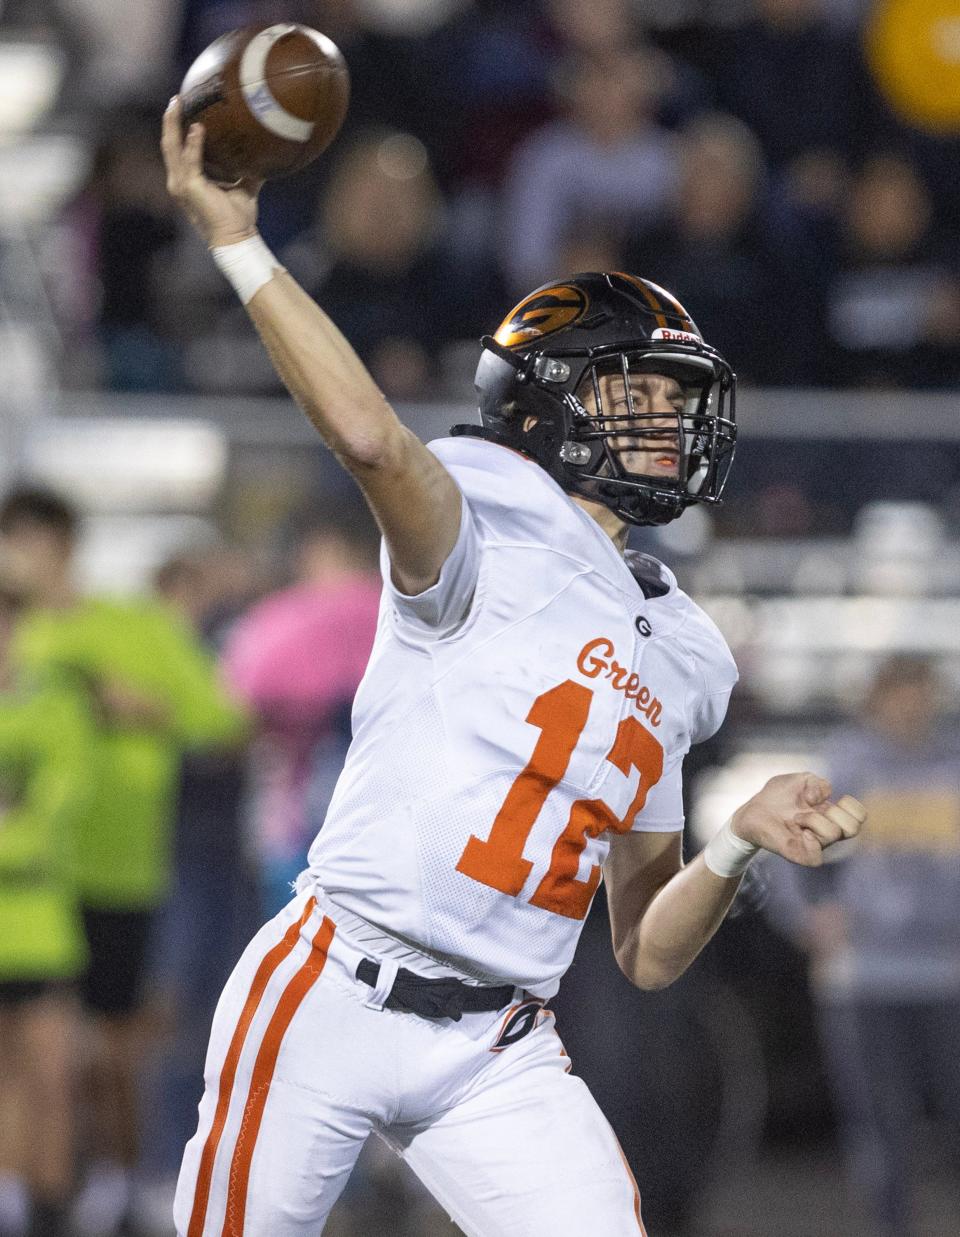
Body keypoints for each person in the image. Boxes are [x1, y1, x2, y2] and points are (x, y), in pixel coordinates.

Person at [162, 98, 866, 1236]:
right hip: (335, 985)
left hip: (500, 1041)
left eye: (678, 399)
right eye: (642, 393)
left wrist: (738, 840)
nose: (673, 421)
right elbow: (370, 439)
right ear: (549, 406)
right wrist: (240, 244)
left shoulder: (683, 644)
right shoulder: (483, 516)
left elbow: (643, 948)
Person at [0, 488, 248, 1237]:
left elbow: (224, 719)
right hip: (32, 886)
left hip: (119, 872)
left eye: (29, 542)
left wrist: (148, 709)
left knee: (111, 1053)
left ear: (64, 547)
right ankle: (35, 1194)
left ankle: (119, 1183)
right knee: (32, 1059)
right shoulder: (17, 634)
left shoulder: (131, 628)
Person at [762, 654, 960, 1237]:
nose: (912, 707)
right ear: (878, 699)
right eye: (901, 694)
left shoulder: (952, 766)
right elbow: (781, 853)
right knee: (882, 1129)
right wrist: (808, 920)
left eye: (921, 693)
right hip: (866, 978)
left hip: (948, 975)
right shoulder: (845, 767)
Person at [222, 500, 381, 917]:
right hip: (381, 818)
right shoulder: (406, 614)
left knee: (290, 930)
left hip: (292, 809)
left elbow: (233, 706)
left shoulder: (280, 619)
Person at [0, 587, 92, 1237]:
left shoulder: (58, 706)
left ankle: (50, 1210)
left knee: (51, 1081)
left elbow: (57, 818)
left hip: (41, 930)